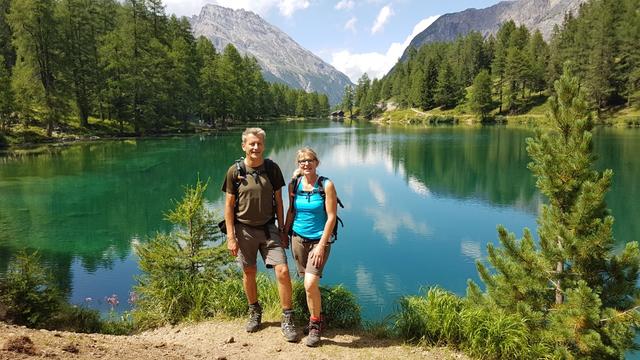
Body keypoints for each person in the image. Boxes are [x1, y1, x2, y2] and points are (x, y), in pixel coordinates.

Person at [222, 127, 297, 342]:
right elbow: (229, 205)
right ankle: (254, 311)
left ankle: (287, 317)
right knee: (249, 271)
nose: (256, 147)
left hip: (268, 228)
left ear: (264, 145)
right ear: (243, 146)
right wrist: (231, 236)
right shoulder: (234, 171)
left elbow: (280, 201)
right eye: (251, 144)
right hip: (243, 229)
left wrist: (282, 229)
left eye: (259, 143)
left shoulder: (272, 169)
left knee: (282, 270)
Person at [283, 147, 337, 347]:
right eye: (302, 161)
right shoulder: (294, 184)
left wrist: (321, 245)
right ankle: (317, 318)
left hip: (318, 241)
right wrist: (284, 233)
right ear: (298, 165)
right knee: (308, 284)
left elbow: (331, 217)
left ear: (317, 162)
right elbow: (291, 210)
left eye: (310, 160)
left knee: (310, 284)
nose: (306, 164)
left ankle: (315, 325)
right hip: (297, 239)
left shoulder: (326, 185)